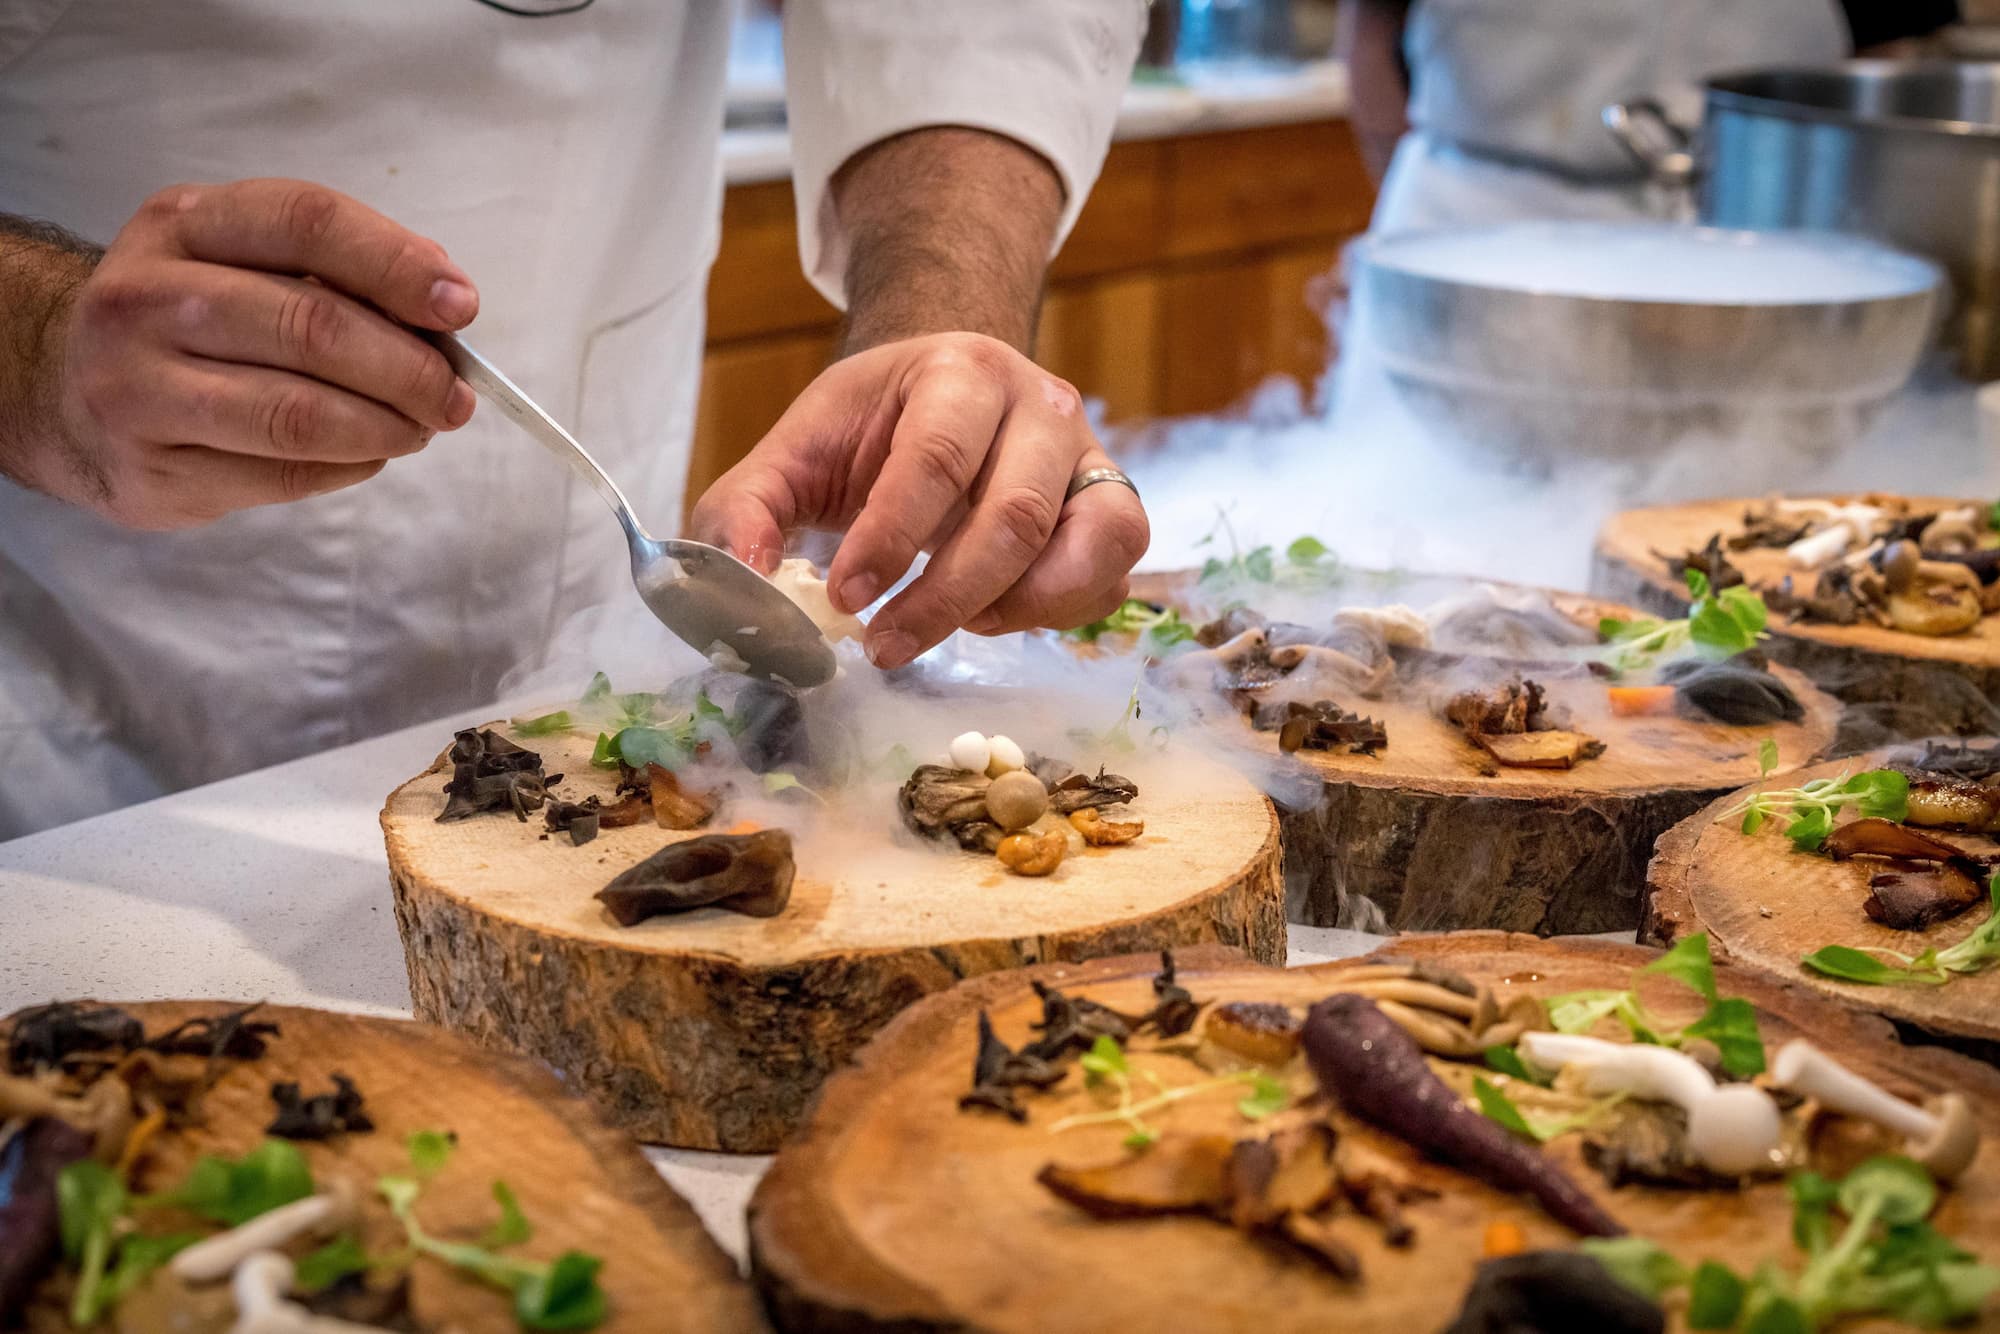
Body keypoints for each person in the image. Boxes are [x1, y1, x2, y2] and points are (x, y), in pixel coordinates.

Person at [0, 1, 1153, 838]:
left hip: (578, 589)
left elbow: (971, 28)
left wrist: (939, 323)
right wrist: (39, 343)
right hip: (83, 736)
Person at [1339, 0, 1962, 234]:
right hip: (1474, 218)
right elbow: (1369, 33)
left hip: (1751, 241)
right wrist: (1395, 247)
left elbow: (1879, 63)